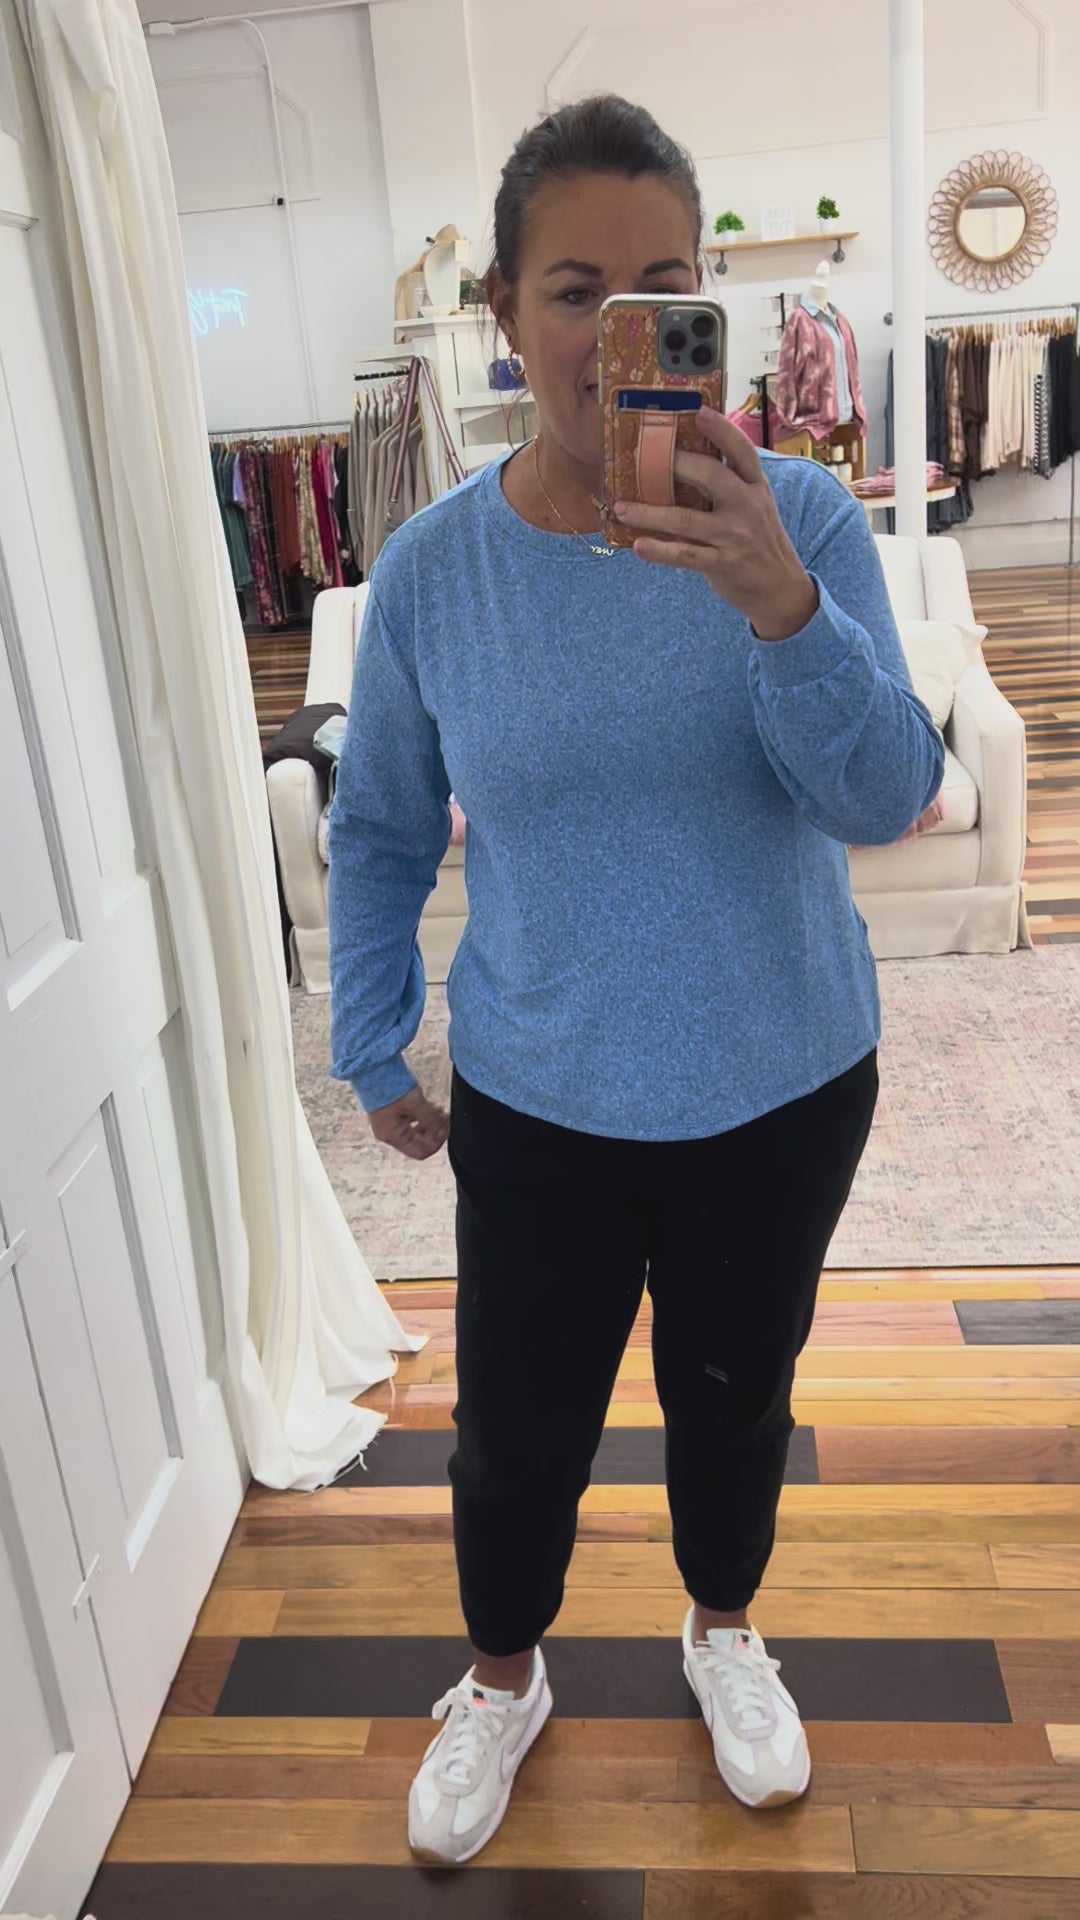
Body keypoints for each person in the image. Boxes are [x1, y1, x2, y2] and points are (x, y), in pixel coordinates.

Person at [328, 93, 944, 1867]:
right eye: (577, 291)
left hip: (782, 1072)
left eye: (665, 290)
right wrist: (372, 1035)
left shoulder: (799, 518)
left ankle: (722, 1631)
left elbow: (886, 794)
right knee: (517, 1431)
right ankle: (503, 1678)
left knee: (737, 1400)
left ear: (708, 313)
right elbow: (381, 827)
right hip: (543, 1092)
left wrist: (782, 611)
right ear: (507, 315)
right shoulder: (435, 572)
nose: (622, 335)